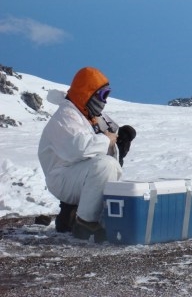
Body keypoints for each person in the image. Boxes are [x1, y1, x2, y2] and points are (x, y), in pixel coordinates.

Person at [38, 67, 136, 242]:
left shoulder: (92, 115)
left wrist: (120, 144)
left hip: (78, 173)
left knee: (109, 167)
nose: (105, 101)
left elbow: (108, 139)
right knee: (105, 166)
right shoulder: (66, 116)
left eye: (107, 95)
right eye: (102, 95)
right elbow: (79, 149)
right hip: (61, 176)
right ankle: (85, 223)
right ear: (87, 93)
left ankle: (71, 214)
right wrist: (107, 140)